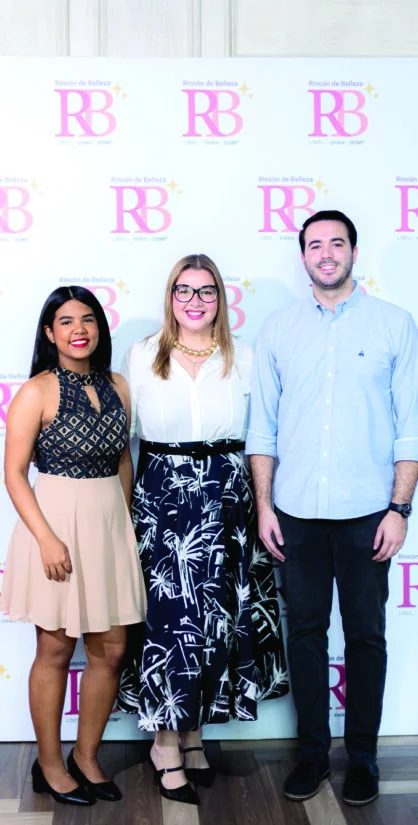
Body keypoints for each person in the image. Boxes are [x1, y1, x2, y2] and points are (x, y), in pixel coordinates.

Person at [247, 210, 418, 807]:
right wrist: (265, 506)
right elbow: (263, 429)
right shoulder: (278, 329)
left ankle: (363, 757)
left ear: (353, 250)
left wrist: (400, 509)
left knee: (368, 636)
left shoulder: (396, 325)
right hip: (294, 511)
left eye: (336, 243)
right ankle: (313, 754)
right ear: (303, 257)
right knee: (304, 633)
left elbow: (410, 428)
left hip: (369, 511)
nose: (326, 253)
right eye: (315, 245)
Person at [118, 253, 288, 805]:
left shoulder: (246, 358)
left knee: (214, 622)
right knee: (171, 625)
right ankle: (164, 745)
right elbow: (129, 441)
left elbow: (261, 435)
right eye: (183, 290)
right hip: (163, 496)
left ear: (221, 297)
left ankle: (192, 737)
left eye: (206, 290)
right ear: (169, 298)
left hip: (227, 496)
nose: (195, 301)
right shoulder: (143, 356)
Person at [0, 286, 146, 806]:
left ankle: (87, 756)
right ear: (49, 332)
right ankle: (49, 763)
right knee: (56, 648)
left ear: (99, 328)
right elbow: (13, 473)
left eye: (87, 319)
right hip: (55, 527)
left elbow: (123, 459)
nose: (78, 329)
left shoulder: (120, 386)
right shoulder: (36, 391)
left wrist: (122, 525)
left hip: (108, 524)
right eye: (65, 321)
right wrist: (45, 538)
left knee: (110, 648)